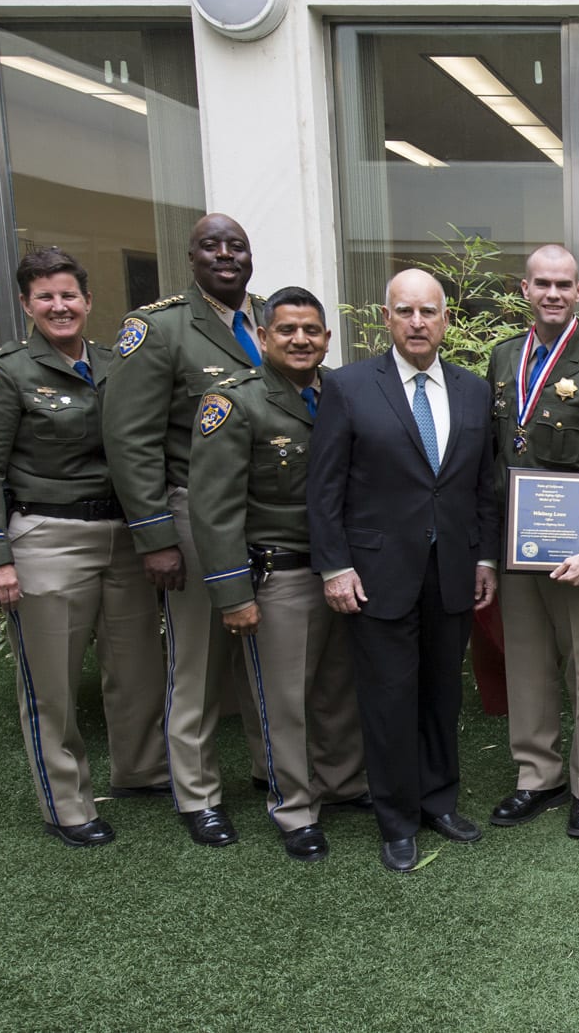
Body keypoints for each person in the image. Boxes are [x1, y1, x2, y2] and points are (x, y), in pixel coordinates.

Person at [0, 247, 167, 846]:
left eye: (68, 295)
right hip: (48, 539)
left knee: (135, 670)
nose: (59, 306)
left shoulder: (113, 364)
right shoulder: (4, 372)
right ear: (27, 305)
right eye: (45, 296)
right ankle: (67, 804)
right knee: (50, 683)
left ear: (88, 300)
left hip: (124, 539)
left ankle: (143, 772)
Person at [307, 268, 500, 873]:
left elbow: (483, 487)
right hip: (375, 574)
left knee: (442, 694)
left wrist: (486, 556)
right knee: (389, 699)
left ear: (447, 320)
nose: (418, 323)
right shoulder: (349, 387)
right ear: (385, 318)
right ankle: (395, 818)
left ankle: (438, 800)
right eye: (405, 312)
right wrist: (335, 567)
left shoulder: (472, 390)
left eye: (429, 312)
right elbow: (324, 489)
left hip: (451, 571)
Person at [188, 286, 369, 862]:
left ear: (326, 338)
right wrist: (231, 594)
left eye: (311, 330)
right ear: (263, 336)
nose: (300, 339)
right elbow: (213, 508)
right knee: (283, 699)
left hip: (340, 571)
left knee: (338, 690)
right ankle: (294, 807)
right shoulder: (236, 402)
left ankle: (342, 784)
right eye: (287, 329)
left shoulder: (341, 391)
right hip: (279, 573)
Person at [103, 212, 266, 847]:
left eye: (237, 246)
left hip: (270, 515)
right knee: (197, 658)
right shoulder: (159, 329)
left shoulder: (272, 316)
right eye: (211, 247)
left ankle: (267, 767)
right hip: (194, 513)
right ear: (190, 257)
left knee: (265, 654)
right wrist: (155, 537)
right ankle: (197, 793)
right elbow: (130, 440)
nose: (226, 256)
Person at [485, 245, 579, 840]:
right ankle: (536, 775)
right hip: (519, 546)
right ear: (524, 289)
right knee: (526, 661)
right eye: (542, 283)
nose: (553, 293)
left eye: (564, 285)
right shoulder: (503, 359)